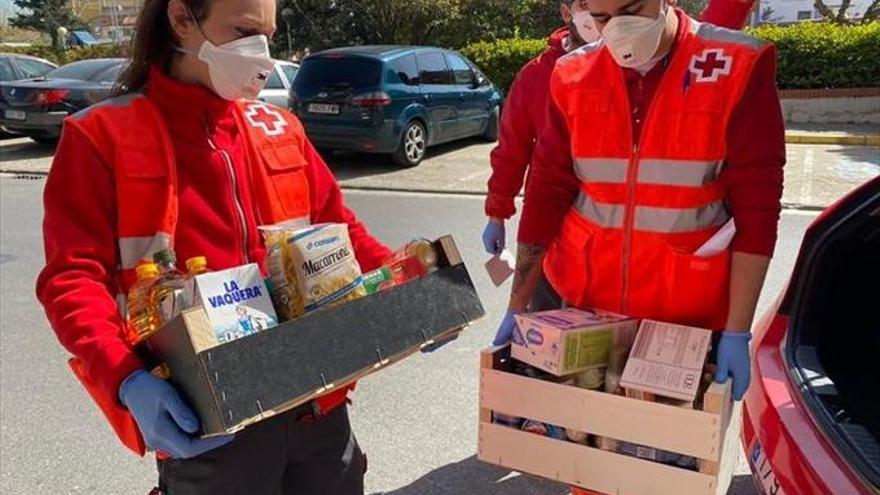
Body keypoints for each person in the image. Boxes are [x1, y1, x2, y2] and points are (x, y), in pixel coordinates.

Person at [35, 0, 391, 493]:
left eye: (267, 34)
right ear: (182, 18)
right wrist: (125, 378)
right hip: (208, 422)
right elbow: (72, 278)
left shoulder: (279, 129)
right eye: (245, 31)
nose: (261, 53)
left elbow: (338, 228)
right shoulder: (102, 136)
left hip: (317, 405)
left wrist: (406, 279)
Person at [495, 0, 785, 408]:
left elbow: (758, 209)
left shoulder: (736, 65)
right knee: (586, 455)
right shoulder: (573, 73)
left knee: (670, 461)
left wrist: (738, 330)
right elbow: (546, 190)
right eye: (601, 18)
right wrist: (518, 304)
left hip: (687, 321)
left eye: (632, 8)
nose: (618, 27)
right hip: (589, 314)